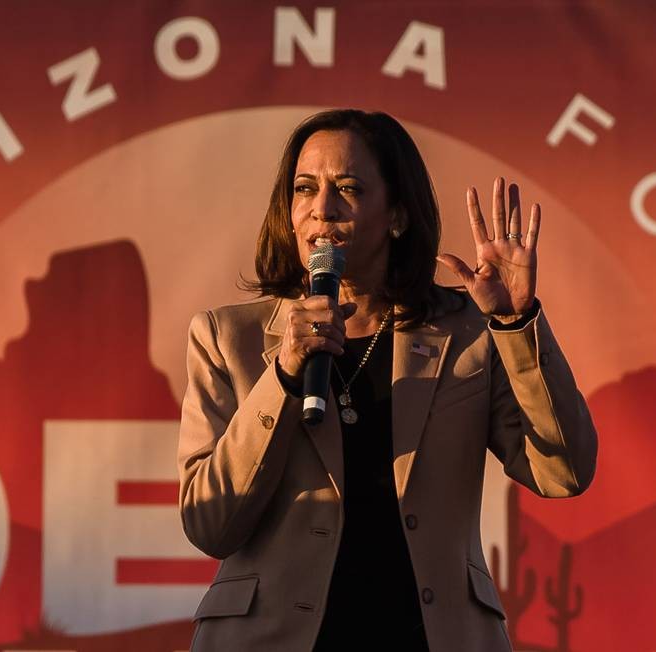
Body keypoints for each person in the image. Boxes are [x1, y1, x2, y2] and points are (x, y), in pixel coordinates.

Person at [177, 109, 597, 652]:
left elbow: (564, 472)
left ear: (397, 214)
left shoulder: (468, 332)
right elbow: (210, 524)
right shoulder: (225, 338)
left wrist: (516, 324)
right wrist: (283, 374)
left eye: (348, 188)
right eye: (304, 189)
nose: (322, 208)